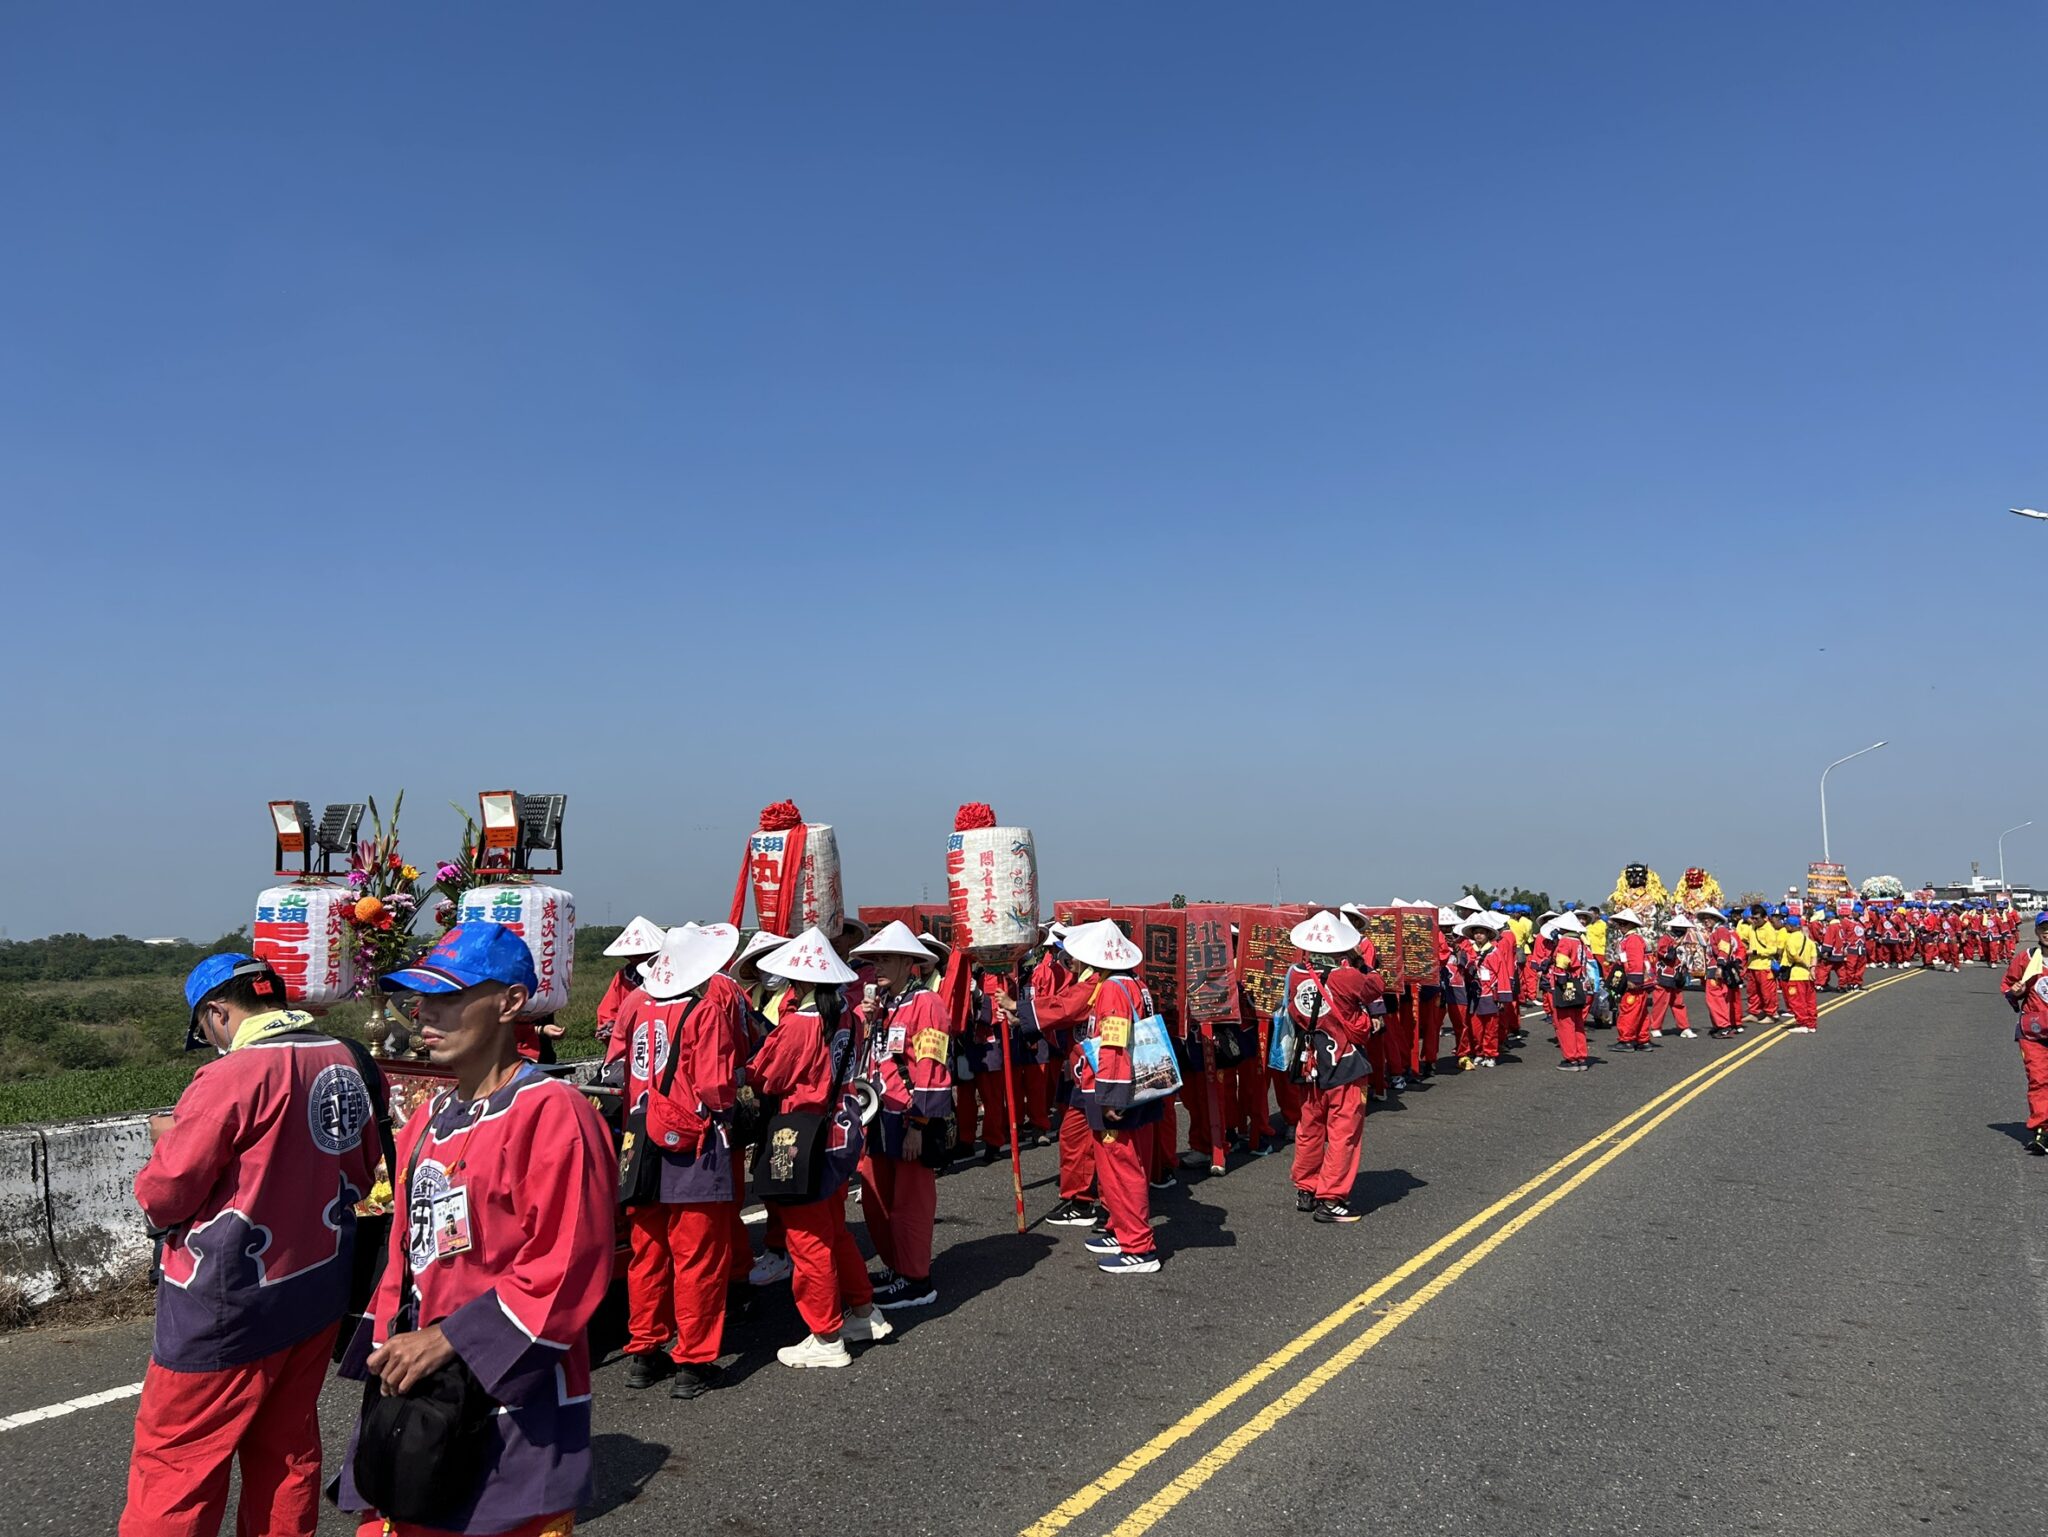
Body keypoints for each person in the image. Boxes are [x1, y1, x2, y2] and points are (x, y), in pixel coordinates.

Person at [335, 922, 614, 1537]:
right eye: (422, 996)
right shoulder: (430, 1118)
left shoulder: (553, 1113)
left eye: (451, 995)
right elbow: (407, 1253)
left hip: (508, 1384)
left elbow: (567, 1263)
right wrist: (388, 1343)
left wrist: (450, 1338)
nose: (426, 1012)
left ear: (510, 1002)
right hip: (420, 1378)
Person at [122, 955, 382, 1537]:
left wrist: (168, 1140)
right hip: (316, 1287)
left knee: (178, 1462)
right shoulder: (343, 1058)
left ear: (217, 1013)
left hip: (226, 1301)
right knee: (287, 1449)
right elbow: (364, 1171)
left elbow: (166, 1193)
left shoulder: (229, 1076)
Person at [611, 922, 749, 1399]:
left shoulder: (635, 1004)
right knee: (698, 1256)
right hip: (692, 1142)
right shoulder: (704, 1011)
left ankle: (644, 1350)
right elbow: (715, 1087)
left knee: (647, 1251)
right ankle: (693, 1359)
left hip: (639, 1137)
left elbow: (615, 1062)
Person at [747, 928, 892, 1367]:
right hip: (840, 1134)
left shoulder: (799, 1024)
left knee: (807, 1239)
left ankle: (826, 1336)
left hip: (800, 1138)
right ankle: (863, 1311)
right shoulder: (848, 1016)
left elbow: (767, 1077)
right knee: (833, 1230)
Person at [851, 920, 956, 1308]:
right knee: (876, 1197)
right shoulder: (884, 1003)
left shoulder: (926, 1003)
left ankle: (916, 1279)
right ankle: (897, 1265)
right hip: (878, 1114)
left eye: (885, 959)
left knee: (910, 1203)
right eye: (875, 959)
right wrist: (867, 1018)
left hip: (910, 1115)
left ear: (905, 962)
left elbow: (931, 1065)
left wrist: (919, 1124)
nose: (876, 966)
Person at [1059, 918, 1167, 1272]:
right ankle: (1122, 1231)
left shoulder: (1111, 989)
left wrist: (1110, 1097)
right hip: (1140, 1085)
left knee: (1122, 1169)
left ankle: (1139, 1247)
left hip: (1119, 1089)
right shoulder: (1135, 983)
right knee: (1126, 1167)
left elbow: (1114, 1044)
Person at [1282, 911, 1382, 1223]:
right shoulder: (1346, 977)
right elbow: (1376, 985)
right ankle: (1332, 1198)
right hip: (1343, 1061)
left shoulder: (1294, 975)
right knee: (1343, 1133)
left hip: (1309, 1062)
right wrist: (1360, 961)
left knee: (1310, 1128)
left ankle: (1306, 1188)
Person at [2000, 913, 2048, 1156]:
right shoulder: (2027, 959)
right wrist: (2015, 991)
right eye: (2044, 928)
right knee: (2039, 1079)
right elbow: (2008, 986)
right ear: (2037, 932)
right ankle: (2042, 1129)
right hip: (2034, 1033)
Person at [595, 916, 665, 1044]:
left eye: (637, 956)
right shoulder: (624, 976)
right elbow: (608, 1010)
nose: (632, 960)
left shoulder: (669, 977)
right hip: (630, 1040)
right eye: (628, 956)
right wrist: (609, 1025)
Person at [1542, 915, 1593, 1070]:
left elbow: (1561, 964)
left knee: (1565, 1023)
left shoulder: (1565, 941)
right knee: (1578, 1023)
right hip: (1580, 984)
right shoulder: (1581, 941)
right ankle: (1581, 1056)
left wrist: (1559, 979)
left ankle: (1571, 1058)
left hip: (1567, 986)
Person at [1644, 915, 1697, 1039]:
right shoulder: (1665, 938)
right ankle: (1656, 1027)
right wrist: (1675, 945)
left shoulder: (1686, 941)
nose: (1682, 930)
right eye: (1679, 928)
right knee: (1660, 1003)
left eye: (1684, 928)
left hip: (1678, 975)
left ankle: (1684, 1027)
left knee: (1679, 1003)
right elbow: (1665, 954)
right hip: (1664, 975)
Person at [1699, 907, 1745, 1037]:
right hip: (1713, 968)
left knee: (1715, 998)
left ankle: (1723, 1026)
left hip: (1717, 968)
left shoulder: (1721, 931)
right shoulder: (1714, 932)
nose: (1705, 921)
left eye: (1708, 918)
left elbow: (1724, 949)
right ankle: (1719, 1024)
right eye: (1704, 919)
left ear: (1716, 919)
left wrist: (1720, 966)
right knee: (1719, 998)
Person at [1609, 911, 1652, 1051]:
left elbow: (1635, 961)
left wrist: (1633, 980)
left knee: (1629, 1009)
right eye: (1619, 923)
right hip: (1640, 981)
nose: (1620, 926)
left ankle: (1626, 1040)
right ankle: (1642, 1039)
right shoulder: (1631, 938)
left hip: (1635, 982)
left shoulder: (1632, 939)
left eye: (1624, 923)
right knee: (1640, 1011)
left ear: (1632, 925)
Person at [1779, 914, 1820, 1033]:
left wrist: (1804, 964)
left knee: (1797, 1001)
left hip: (1795, 975)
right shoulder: (1808, 940)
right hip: (1808, 976)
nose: (1785, 927)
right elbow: (1814, 956)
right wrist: (1812, 969)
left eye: (1786, 925)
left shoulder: (1790, 939)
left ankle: (1802, 1023)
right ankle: (1811, 1024)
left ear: (1791, 927)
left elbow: (1794, 956)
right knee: (1810, 1001)